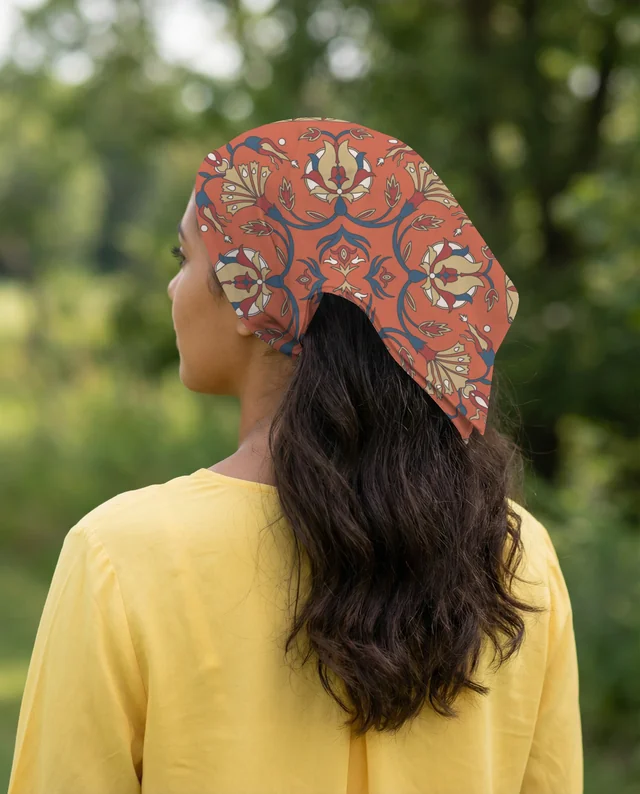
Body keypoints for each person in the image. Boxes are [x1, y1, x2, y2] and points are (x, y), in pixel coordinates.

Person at [8, 118, 582, 794]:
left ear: (250, 290)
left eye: (184, 257)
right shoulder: (517, 555)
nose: (173, 287)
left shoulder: (119, 556)